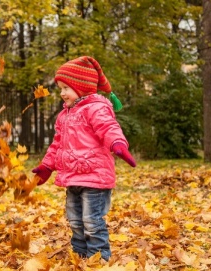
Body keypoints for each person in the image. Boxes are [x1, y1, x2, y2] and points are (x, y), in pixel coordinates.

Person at [31, 56, 136, 262]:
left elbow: (108, 128)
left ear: (82, 87)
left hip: (95, 178)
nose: (62, 93)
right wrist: (47, 165)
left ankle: (98, 259)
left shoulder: (96, 108)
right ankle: (79, 256)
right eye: (60, 88)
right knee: (75, 220)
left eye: (66, 88)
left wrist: (118, 144)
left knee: (92, 221)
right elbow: (57, 144)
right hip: (73, 177)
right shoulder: (65, 115)